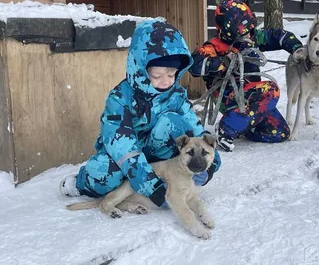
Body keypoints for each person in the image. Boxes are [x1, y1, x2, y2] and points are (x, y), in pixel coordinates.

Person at [59, 19, 221, 208]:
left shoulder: (176, 95)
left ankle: (150, 178)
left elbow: (196, 131)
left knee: (173, 121)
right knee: (105, 173)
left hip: (156, 156)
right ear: (141, 70)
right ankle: (80, 184)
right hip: (123, 157)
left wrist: (210, 165)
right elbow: (122, 146)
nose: (166, 81)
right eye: (157, 76)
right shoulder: (120, 98)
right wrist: (151, 185)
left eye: (171, 74)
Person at [189, 0, 306, 152]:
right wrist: (224, 61)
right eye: (242, 32)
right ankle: (227, 128)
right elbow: (195, 64)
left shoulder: (253, 38)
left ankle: (242, 126)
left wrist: (297, 48)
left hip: (254, 98)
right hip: (231, 98)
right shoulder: (214, 46)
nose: (247, 35)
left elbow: (278, 36)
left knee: (279, 132)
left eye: (248, 30)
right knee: (271, 90)